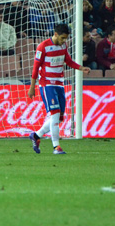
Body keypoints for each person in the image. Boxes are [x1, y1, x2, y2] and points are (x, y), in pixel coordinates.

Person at [28, 24, 91, 155]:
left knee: (59, 117)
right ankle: (56, 147)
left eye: (65, 39)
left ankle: (36, 135)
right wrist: (32, 87)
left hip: (59, 83)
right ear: (55, 34)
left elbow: (68, 61)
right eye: (62, 38)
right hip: (47, 84)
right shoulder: (43, 46)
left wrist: (81, 68)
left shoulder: (63, 46)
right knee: (55, 113)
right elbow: (35, 68)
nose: (64, 41)